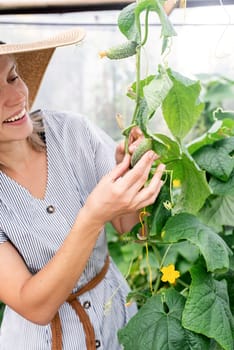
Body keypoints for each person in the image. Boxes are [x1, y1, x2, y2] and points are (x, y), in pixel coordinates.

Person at [0, 27, 165, 350]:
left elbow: (131, 227)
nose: (16, 96)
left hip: (117, 321)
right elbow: (34, 305)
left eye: (12, 77)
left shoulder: (72, 132)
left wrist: (130, 178)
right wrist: (92, 216)